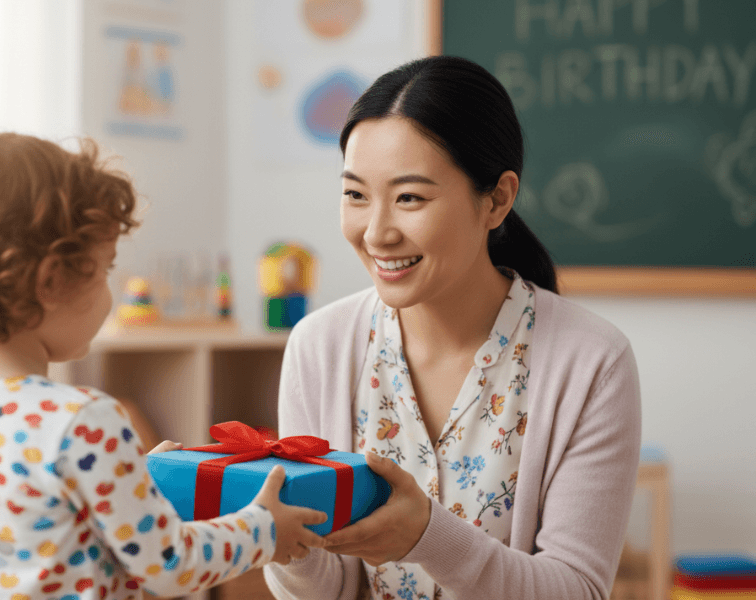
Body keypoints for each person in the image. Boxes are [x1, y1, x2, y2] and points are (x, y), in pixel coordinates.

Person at [263, 55, 642, 600]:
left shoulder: (592, 362)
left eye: (410, 198)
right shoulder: (319, 346)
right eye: (355, 194)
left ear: (497, 200)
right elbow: (329, 587)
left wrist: (428, 538)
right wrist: (286, 544)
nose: (376, 232)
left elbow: (577, 590)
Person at [0, 131, 327, 600]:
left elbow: (37, 525)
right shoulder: (83, 420)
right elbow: (168, 565)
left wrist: (131, 476)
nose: (108, 292)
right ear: (53, 280)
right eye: (103, 269)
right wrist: (263, 530)